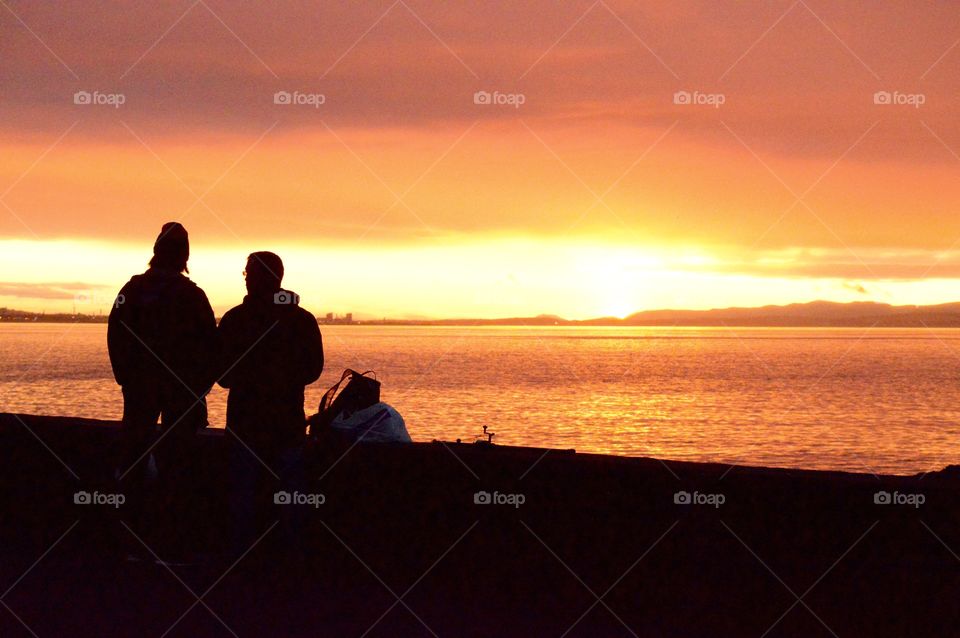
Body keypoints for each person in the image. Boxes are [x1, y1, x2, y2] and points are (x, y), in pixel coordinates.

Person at [107, 221, 217, 563]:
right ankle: (171, 539)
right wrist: (198, 389)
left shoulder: (134, 289)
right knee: (177, 464)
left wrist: (126, 376)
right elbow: (210, 347)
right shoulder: (193, 295)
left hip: (140, 389)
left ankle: (127, 537)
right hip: (179, 393)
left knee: (133, 459)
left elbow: (116, 334)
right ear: (184, 255)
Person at [217, 251, 324, 553]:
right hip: (287, 422)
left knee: (243, 496)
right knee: (291, 495)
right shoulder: (302, 320)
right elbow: (313, 369)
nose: (246, 277)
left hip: (244, 425)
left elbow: (223, 376)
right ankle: (292, 557)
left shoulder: (235, 320)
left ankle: (240, 558)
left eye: (248, 272)